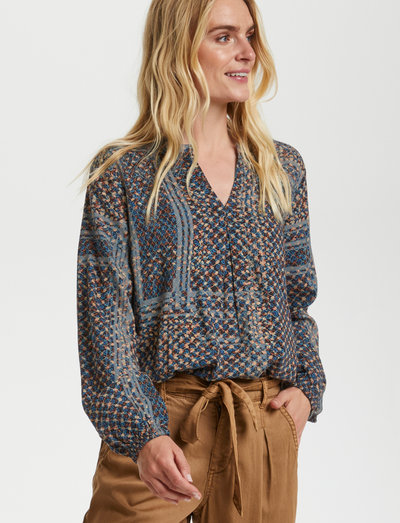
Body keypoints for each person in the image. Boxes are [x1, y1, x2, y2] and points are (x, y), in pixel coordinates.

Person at [75, 0, 327, 521]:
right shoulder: (123, 175)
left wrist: (306, 388)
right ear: (179, 47)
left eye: (250, 36)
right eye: (224, 36)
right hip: (159, 429)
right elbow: (105, 326)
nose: (247, 53)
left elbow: (297, 298)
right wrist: (142, 434)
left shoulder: (281, 169)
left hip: (260, 425)